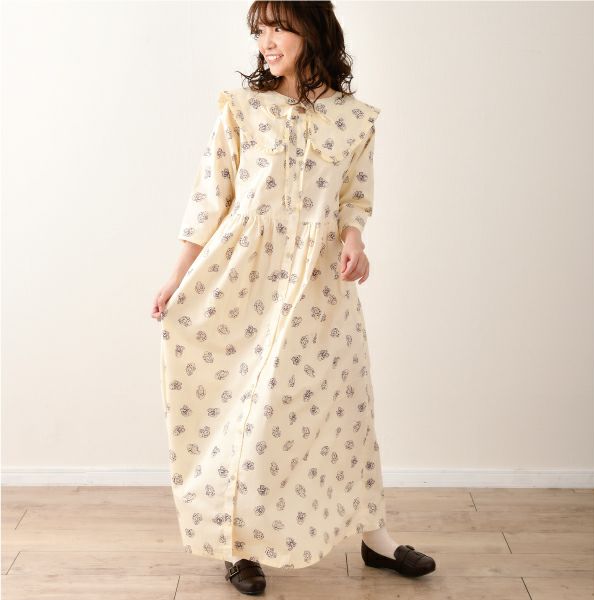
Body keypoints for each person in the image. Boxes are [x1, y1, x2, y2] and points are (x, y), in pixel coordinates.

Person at [151, 1, 436, 594]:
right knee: (249, 409)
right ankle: (237, 543)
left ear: (312, 29)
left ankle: (375, 536)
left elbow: (355, 197)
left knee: (344, 402)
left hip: (318, 282)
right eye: (259, 30)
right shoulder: (242, 108)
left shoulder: (355, 119)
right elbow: (209, 197)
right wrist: (177, 276)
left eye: (278, 27)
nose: (266, 41)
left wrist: (355, 242)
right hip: (243, 277)